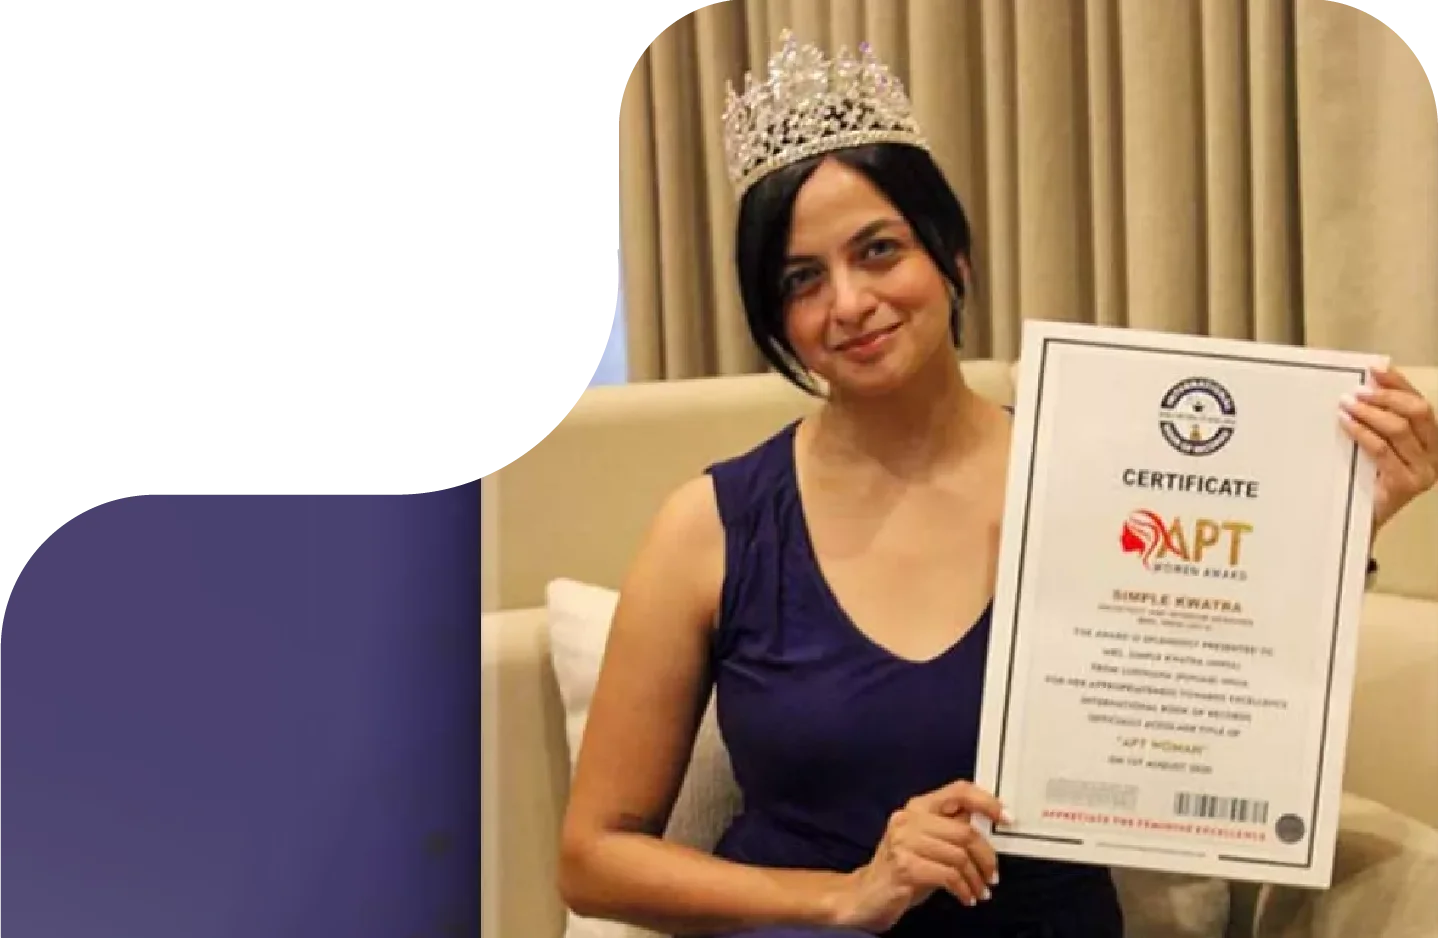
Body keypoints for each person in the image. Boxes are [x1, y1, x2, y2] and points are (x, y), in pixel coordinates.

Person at [558, 31, 1438, 938]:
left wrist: (1341, 524)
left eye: (878, 250)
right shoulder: (711, 526)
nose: (849, 302)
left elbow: (1217, 709)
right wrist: (845, 893)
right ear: (776, 316)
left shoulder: (1097, 480)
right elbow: (593, 856)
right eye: (802, 279)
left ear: (953, 258)